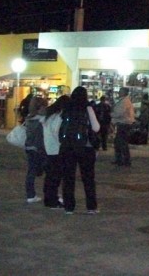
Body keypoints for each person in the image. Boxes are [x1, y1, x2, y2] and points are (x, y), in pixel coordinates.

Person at [59, 86, 100, 214]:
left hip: (68, 147)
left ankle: (69, 207)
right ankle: (91, 207)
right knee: (88, 178)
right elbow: (96, 127)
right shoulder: (88, 108)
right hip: (85, 147)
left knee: (68, 178)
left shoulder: (67, 108)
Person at [42, 94, 68, 209]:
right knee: (54, 177)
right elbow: (57, 133)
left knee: (50, 176)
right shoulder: (59, 117)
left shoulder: (49, 115)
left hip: (49, 148)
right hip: (56, 150)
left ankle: (49, 199)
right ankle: (52, 201)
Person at [24, 96, 48, 203]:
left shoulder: (29, 118)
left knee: (31, 172)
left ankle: (30, 195)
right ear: (40, 108)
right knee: (49, 171)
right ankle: (50, 193)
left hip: (29, 147)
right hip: (39, 148)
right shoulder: (41, 120)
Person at [111, 87, 135, 167]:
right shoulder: (123, 101)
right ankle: (121, 159)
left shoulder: (124, 102)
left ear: (125, 93)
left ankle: (124, 160)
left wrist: (111, 114)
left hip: (124, 124)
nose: (119, 92)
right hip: (123, 123)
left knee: (122, 142)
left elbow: (119, 113)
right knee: (119, 142)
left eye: (120, 91)